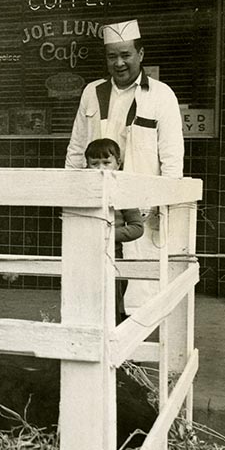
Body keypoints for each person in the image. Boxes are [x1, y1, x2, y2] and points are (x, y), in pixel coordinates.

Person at [65, 19, 185, 310]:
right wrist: (71, 199)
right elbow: (77, 148)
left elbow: (172, 156)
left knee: (140, 287)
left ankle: (134, 353)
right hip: (97, 209)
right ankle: (101, 351)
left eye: (125, 55)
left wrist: (163, 206)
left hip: (140, 213)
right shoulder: (92, 92)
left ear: (140, 55)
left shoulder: (161, 95)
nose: (119, 63)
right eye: (111, 56)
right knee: (95, 284)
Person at [84, 138, 144, 324]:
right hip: (84, 255)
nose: (100, 168)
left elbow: (137, 227)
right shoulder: (82, 191)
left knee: (112, 299)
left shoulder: (124, 193)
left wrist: (109, 235)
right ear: (86, 166)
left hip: (113, 254)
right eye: (94, 164)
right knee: (84, 298)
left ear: (118, 164)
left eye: (106, 162)